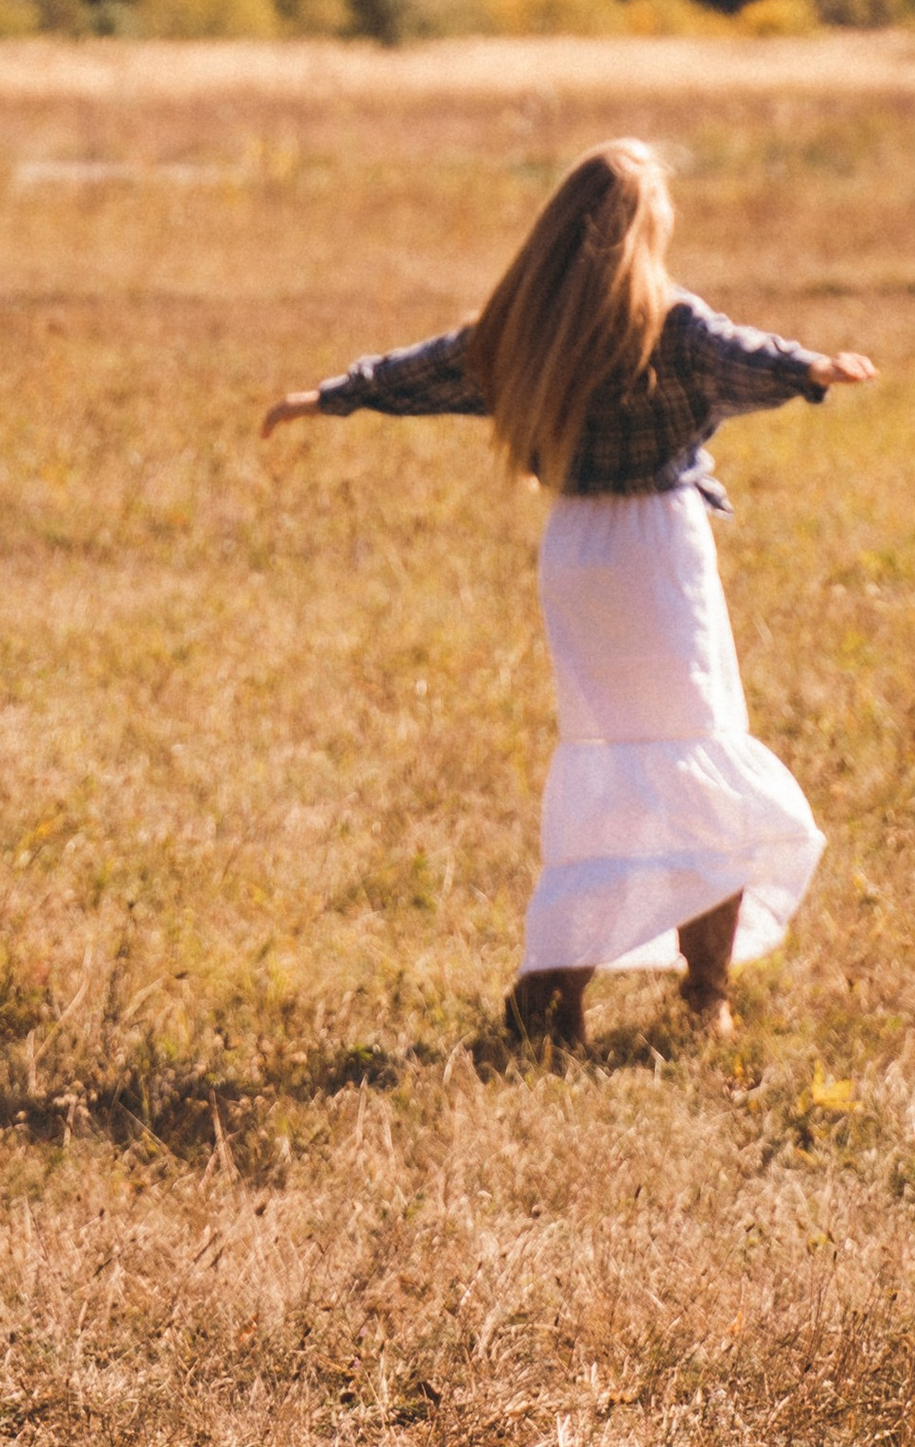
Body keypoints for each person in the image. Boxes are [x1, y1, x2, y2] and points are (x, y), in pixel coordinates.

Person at [261, 136, 875, 1048]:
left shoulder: (527, 327)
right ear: (643, 233)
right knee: (700, 758)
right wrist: (812, 368)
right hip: (660, 557)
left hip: (579, 554)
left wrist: (332, 396)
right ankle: (704, 996)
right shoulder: (667, 323)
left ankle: (552, 1000)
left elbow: (427, 370)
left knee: (608, 769)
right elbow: (743, 356)